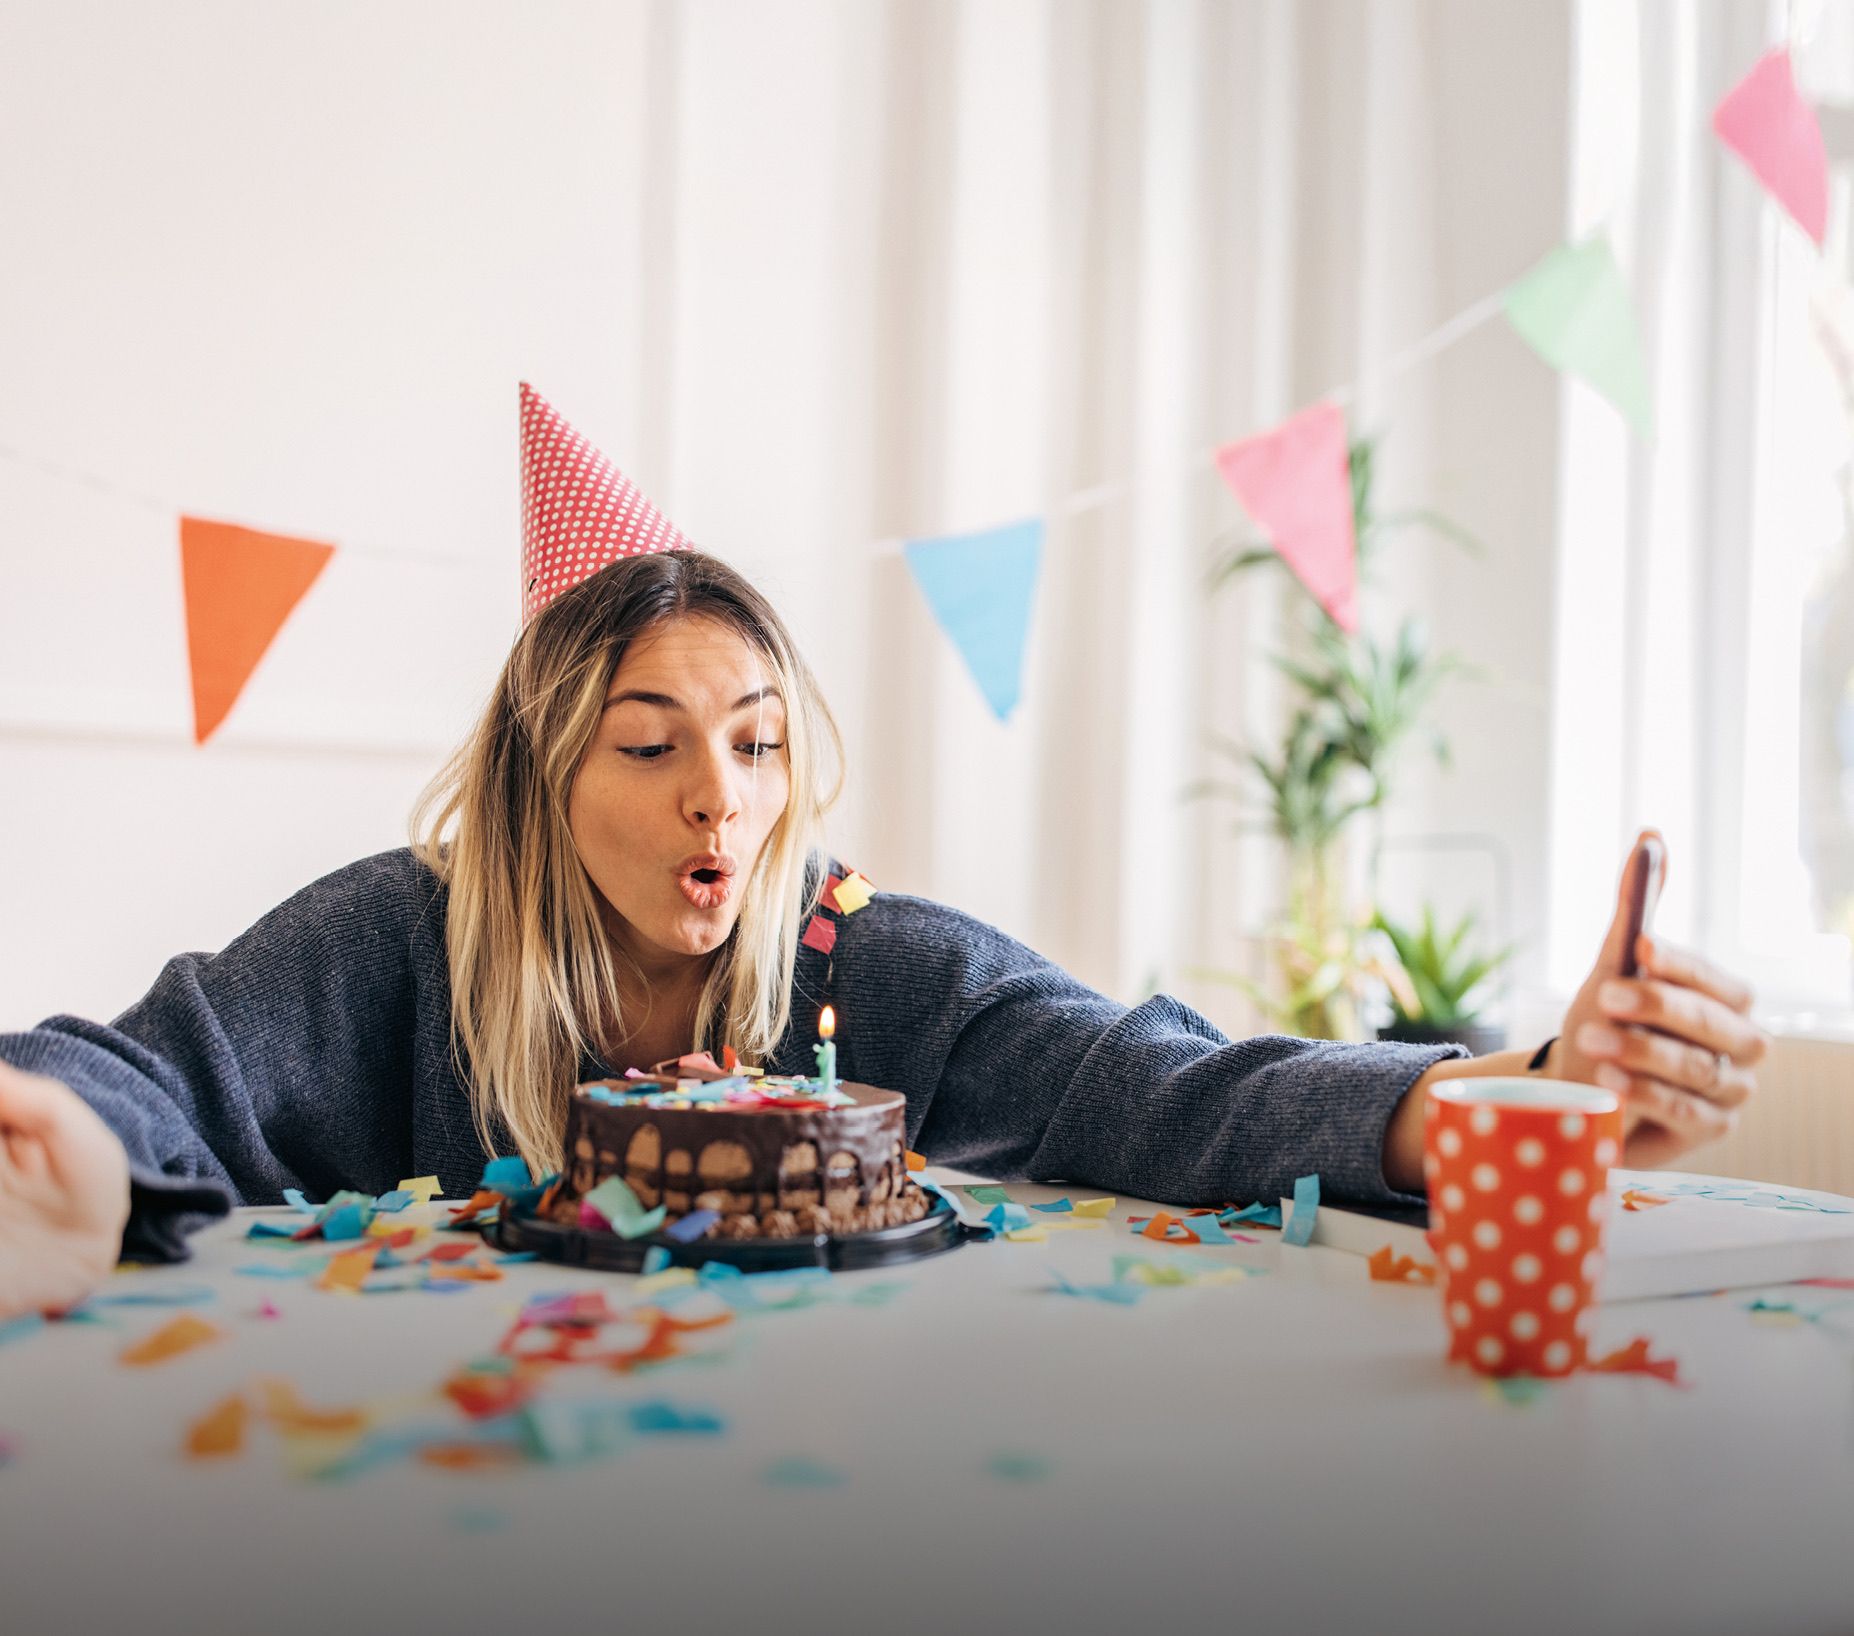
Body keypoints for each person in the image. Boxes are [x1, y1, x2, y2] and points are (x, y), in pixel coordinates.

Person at [0, 389, 1769, 1324]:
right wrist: (60, 1143)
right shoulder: (402, 939)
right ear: (547, 768)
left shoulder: (860, 965)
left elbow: (1158, 1089)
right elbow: (146, 1073)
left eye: (759, 745)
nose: (726, 802)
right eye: (650, 744)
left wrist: (1517, 1091)